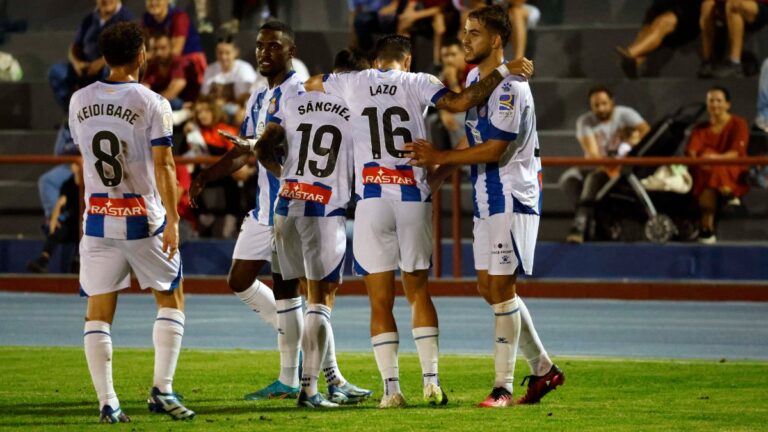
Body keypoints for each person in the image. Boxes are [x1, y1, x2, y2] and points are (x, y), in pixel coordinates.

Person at [303, 32, 533, 407]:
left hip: (372, 200)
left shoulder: (352, 81)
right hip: (412, 195)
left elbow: (312, 85)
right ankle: (431, 382)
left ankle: (391, 391)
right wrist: (505, 69)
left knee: (380, 302)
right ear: (407, 61)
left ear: (377, 62)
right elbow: (462, 102)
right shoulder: (420, 81)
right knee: (418, 293)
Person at [189, 21, 369, 404]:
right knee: (241, 280)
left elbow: (288, 152)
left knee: (302, 293)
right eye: (259, 46)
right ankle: (307, 363)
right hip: (264, 210)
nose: (263, 52)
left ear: (291, 51)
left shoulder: (299, 93)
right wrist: (206, 175)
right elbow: (243, 150)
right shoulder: (258, 97)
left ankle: (315, 377)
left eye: (272, 46)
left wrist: (259, 148)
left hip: (294, 204)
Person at [405, 5, 564, 407]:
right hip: (486, 194)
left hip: (512, 193)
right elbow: (475, 136)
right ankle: (544, 369)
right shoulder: (477, 78)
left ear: (496, 40)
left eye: (473, 33)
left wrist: (438, 155)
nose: (464, 39)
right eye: (464, 31)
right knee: (488, 287)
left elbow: (494, 149)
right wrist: (441, 170)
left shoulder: (512, 87)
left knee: (501, 289)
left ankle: (503, 388)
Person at [70, 21, 194, 423]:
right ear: (141, 55)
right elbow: (165, 165)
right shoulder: (153, 102)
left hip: (99, 221)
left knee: (98, 310)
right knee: (171, 296)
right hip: (143, 217)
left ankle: (108, 402)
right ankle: (162, 390)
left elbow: (86, 157)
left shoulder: (78, 100)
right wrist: (174, 218)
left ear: (104, 57)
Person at [224, 82, 365, 409]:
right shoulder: (351, 112)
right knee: (317, 298)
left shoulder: (294, 105)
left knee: (303, 295)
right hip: (313, 211)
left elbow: (262, 147)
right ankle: (316, 385)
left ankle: (323, 379)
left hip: (286, 206)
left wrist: (279, 170)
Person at [562, 86, 651, 244]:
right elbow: (594, 156)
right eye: (596, 105)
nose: (601, 108)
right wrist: (609, 168)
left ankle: (581, 224)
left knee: (593, 178)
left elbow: (647, 132)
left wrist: (632, 141)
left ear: (612, 102)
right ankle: (594, 218)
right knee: (568, 179)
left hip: (624, 168)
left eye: (604, 103)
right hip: (598, 164)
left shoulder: (626, 115)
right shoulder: (585, 121)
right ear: (591, 106)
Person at [686, 86, 750, 243]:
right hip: (705, 170)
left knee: (712, 168)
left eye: (719, 101)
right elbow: (692, 153)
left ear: (728, 104)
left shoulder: (739, 124)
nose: (715, 104)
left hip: (730, 169)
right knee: (708, 173)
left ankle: (706, 226)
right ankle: (726, 193)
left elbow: (735, 153)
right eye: (711, 101)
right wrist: (705, 160)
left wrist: (711, 158)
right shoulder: (699, 129)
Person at [48, 0, 134, 110]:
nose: (106, 1)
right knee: (56, 71)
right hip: (85, 68)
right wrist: (77, 63)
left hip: (106, 68)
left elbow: (126, 49)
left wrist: (100, 63)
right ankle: (74, 114)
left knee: (111, 70)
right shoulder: (89, 19)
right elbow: (75, 47)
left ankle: (104, 115)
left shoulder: (126, 18)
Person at [615, 0, 701, 79]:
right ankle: (634, 62)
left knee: (664, 22)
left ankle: (630, 54)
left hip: (689, 10)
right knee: (646, 31)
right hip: (663, 6)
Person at [27, 162, 81, 274]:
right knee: (57, 230)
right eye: (76, 164)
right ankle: (43, 260)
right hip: (71, 223)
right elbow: (60, 203)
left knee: (86, 231)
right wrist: (54, 220)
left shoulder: (90, 184)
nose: (78, 167)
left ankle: (78, 261)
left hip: (85, 222)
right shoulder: (68, 184)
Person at [143, 0, 207, 94]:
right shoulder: (147, 18)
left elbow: (175, 51)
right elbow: (143, 48)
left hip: (188, 64)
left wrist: (144, 56)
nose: (153, 2)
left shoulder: (179, 17)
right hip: (161, 63)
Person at [700, 0, 768, 78]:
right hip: (727, 5)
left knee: (734, 4)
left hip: (759, 6)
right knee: (707, 4)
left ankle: (735, 63)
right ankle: (708, 61)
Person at [200, 36, 257, 125]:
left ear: (235, 52)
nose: (223, 57)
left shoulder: (244, 69)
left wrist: (242, 110)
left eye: (227, 53)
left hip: (236, 111)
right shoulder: (210, 69)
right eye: (220, 53)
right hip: (213, 110)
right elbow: (204, 95)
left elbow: (251, 98)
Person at [142, 33, 201, 110]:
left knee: (175, 102)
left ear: (170, 48)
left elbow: (174, 90)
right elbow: (144, 89)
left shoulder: (179, 62)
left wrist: (152, 102)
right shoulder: (152, 65)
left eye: (163, 48)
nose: (158, 53)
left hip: (188, 103)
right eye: (155, 49)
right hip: (162, 104)